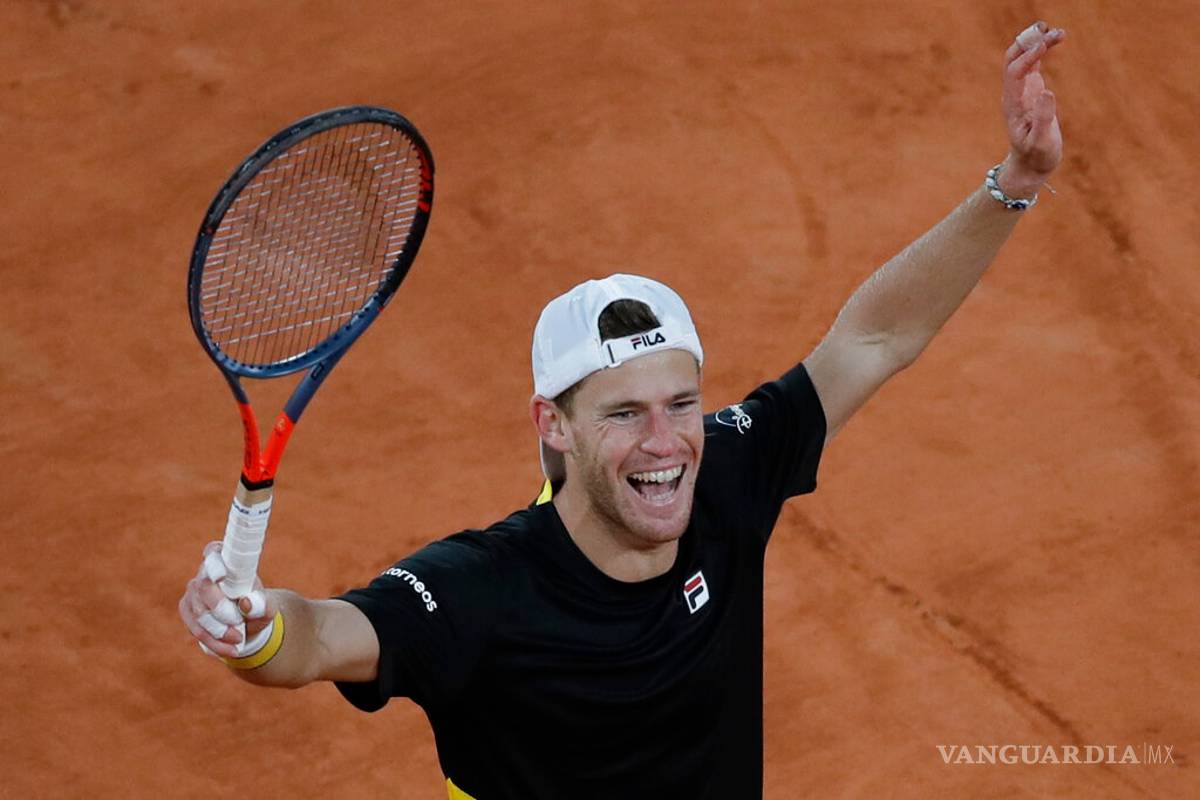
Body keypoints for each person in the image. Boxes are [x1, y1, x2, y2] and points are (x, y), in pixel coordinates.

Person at [180, 21, 1066, 800]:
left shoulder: (722, 475)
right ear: (551, 426)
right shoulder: (482, 592)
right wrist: (257, 627)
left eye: (681, 403)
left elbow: (873, 339)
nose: (664, 442)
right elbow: (326, 638)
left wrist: (1016, 180)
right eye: (622, 414)